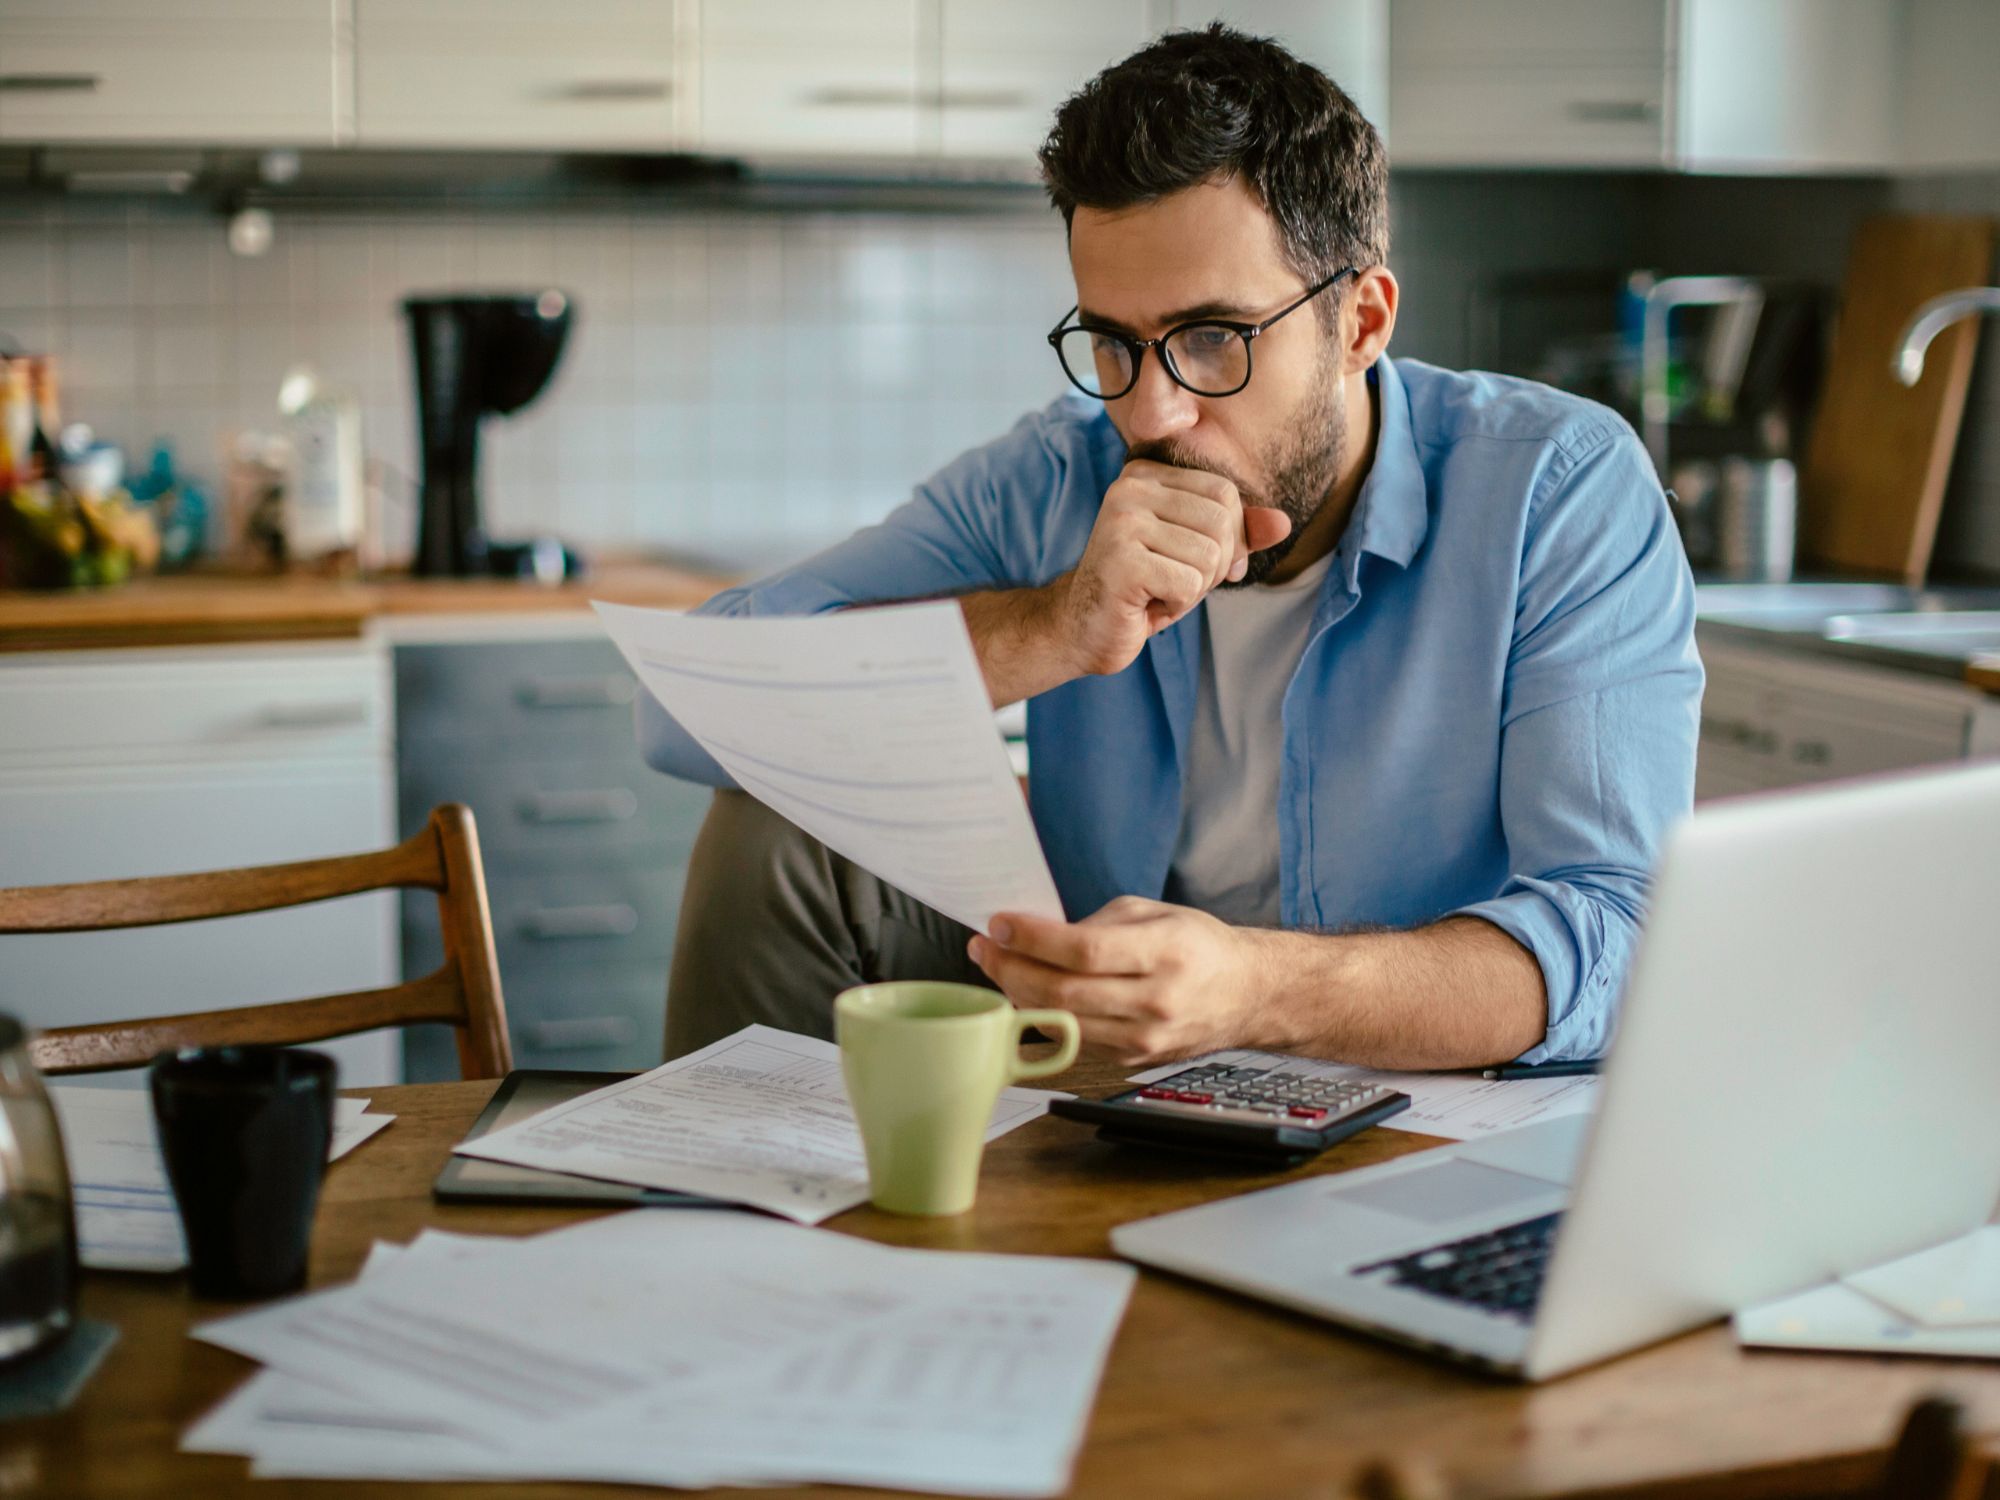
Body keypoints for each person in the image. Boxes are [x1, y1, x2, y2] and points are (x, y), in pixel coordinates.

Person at [640, 24, 1702, 1071]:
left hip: (1407, 1085)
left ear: (1362, 323)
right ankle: (747, 1223)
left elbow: (1623, 938)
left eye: (1212, 340)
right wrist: (1050, 627)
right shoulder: (1052, 476)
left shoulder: (1551, 490)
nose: (1150, 413)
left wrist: (1252, 990)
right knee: (773, 824)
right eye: (1111, 342)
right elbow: (684, 710)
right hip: (1095, 1046)